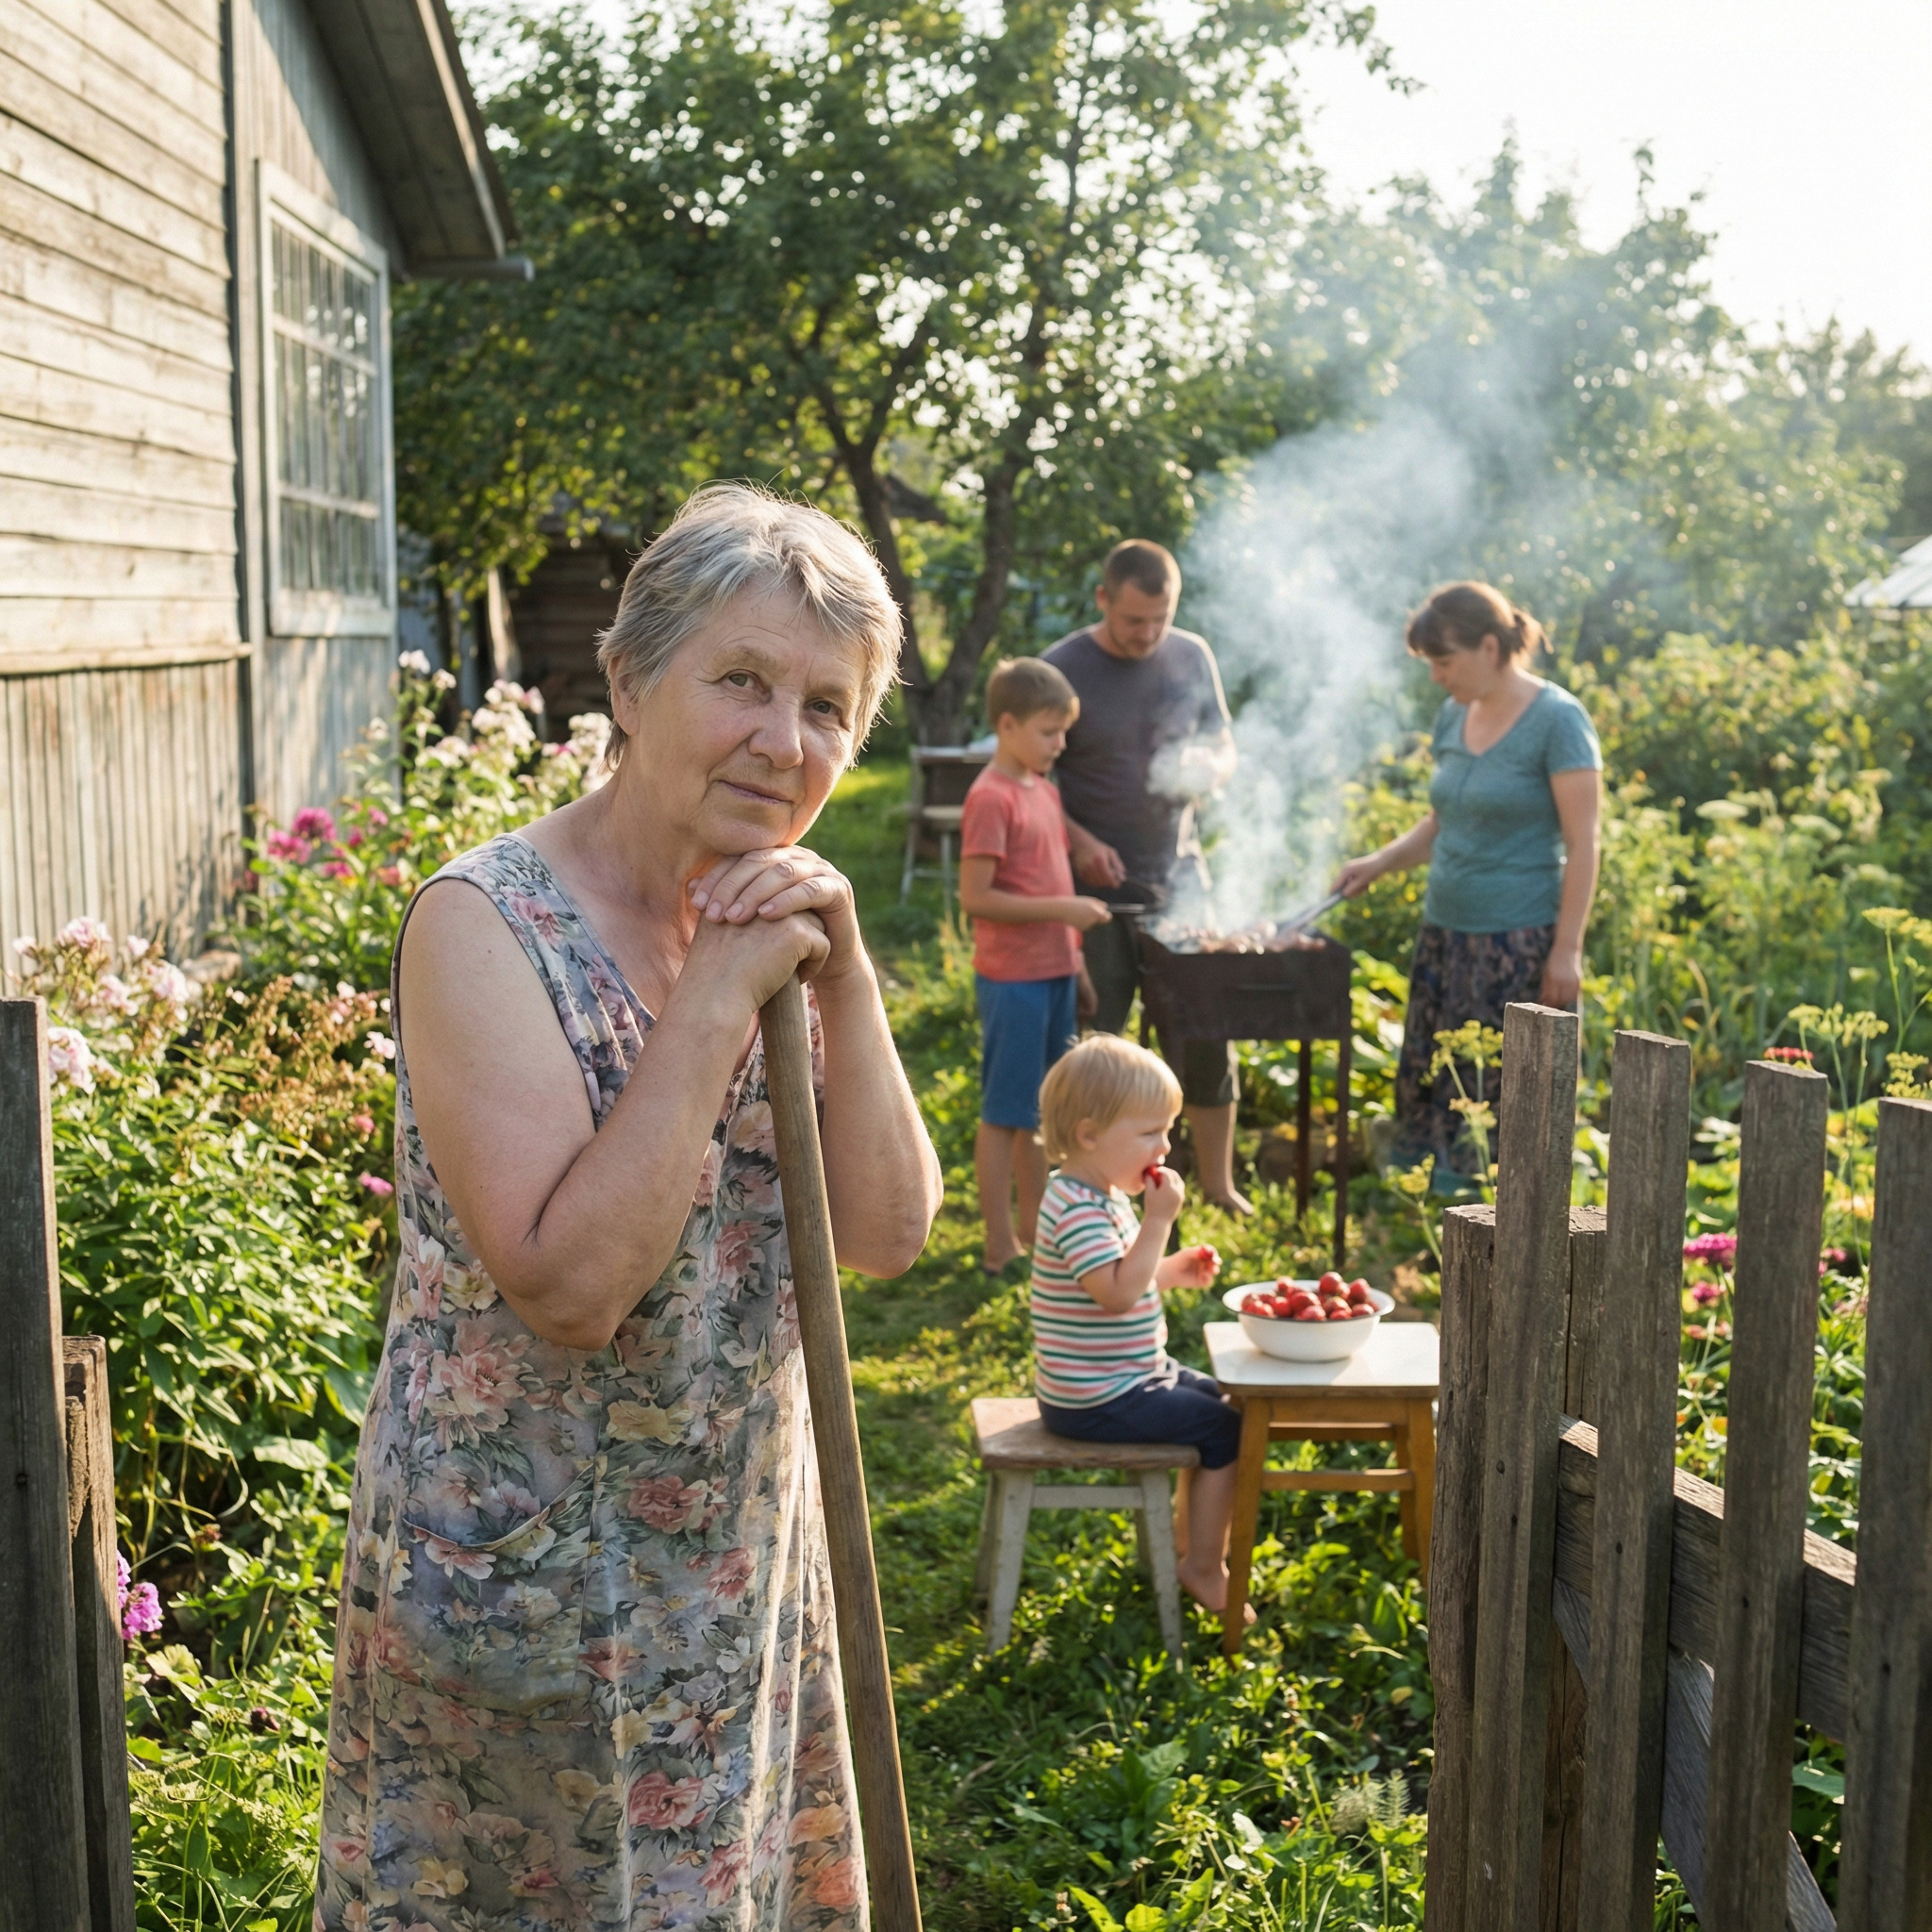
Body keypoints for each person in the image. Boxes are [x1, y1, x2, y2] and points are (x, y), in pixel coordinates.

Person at [314, 484, 942, 1931]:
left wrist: (846, 978)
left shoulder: (775, 920)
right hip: (529, 1600)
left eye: (829, 708)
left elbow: (888, 1235)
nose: (784, 742)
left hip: (733, 1572)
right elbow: (572, 1288)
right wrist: (717, 998)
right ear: (627, 683)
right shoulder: (486, 924)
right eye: (742, 681)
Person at [1334, 581, 1602, 1193]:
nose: (1436, 676)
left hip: (1518, 943)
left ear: (1490, 647)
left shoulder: (1558, 721)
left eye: (1444, 661)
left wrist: (1567, 949)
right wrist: (1379, 862)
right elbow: (1445, 818)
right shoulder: (1454, 713)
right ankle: (1434, 1204)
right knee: (1441, 1077)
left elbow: (1585, 843)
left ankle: (1506, 1213)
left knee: (1505, 1088)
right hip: (1446, 937)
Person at [1045, 541, 1250, 1212]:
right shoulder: (1062, 668)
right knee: (1100, 1043)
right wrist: (1079, 843)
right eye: (1135, 620)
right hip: (1095, 895)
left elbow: (1223, 741)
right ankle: (1092, 1191)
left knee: (1208, 1031)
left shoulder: (1191, 655)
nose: (1149, 633)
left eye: (1161, 618)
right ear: (1103, 599)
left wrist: (1212, 765)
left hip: (1182, 880)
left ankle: (1219, 1187)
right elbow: (1031, 780)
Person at [1029, 1034, 1246, 1615]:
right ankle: (1203, 1565)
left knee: (1228, 1401)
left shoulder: (1098, 1194)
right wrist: (1159, 1223)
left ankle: (1188, 1541)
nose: (1166, 1146)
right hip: (1096, 1397)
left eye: (1167, 1131)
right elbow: (1118, 1295)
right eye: (1151, 1132)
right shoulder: (1078, 1209)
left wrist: (1172, 1269)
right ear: (1090, 1135)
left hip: (1128, 1376)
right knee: (1226, 1430)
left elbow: (1124, 1274)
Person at [958, 658, 1112, 1274]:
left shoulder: (1044, 789)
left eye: (1063, 732)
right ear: (1007, 725)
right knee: (1005, 1113)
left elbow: (1053, 877)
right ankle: (999, 1243)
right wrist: (1066, 912)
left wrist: (1077, 966)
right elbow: (976, 897)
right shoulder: (990, 798)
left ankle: (1036, 1230)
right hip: (1012, 980)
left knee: (1044, 1112)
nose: (1060, 744)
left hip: (1055, 974)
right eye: (1049, 732)